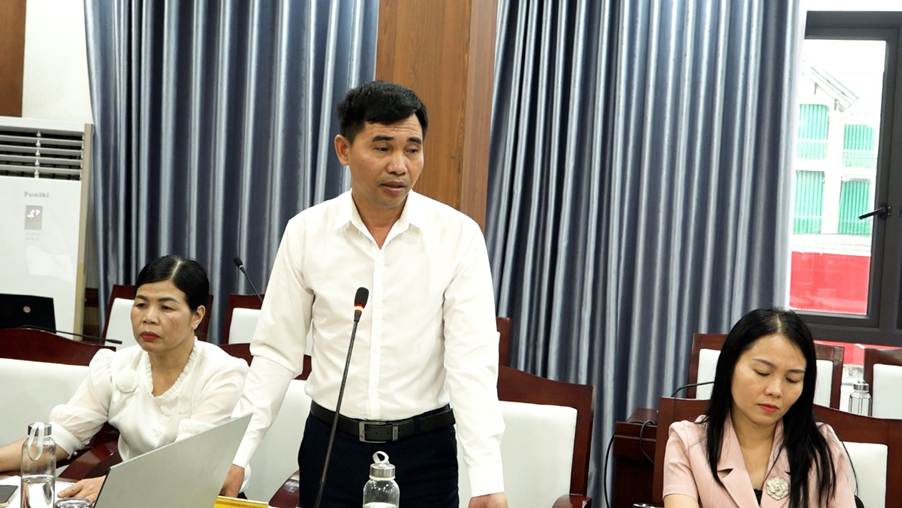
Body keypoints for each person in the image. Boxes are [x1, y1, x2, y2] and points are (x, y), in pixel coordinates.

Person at [220, 80, 508, 507]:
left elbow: (471, 364)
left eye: (412, 149)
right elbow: (276, 354)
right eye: (382, 147)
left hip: (425, 452)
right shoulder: (307, 233)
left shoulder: (457, 236)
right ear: (343, 149)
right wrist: (236, 454)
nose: (400, 165)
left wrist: (486, 478)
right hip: (332, 447)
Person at [0, 255, 248, 502]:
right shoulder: (115, 364)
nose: (149, 317)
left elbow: (189, 464)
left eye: (166, 307)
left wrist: (114, 484)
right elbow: (64, 434)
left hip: (196, 497)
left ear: (197, 316)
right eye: (141, 304)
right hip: (127, 497)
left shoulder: (222, 372)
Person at [663, 308, 857, 507]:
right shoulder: (688, 443)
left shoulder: (822, 448)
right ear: (730, 367)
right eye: (762, 372)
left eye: (792, 379)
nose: (775, 390)